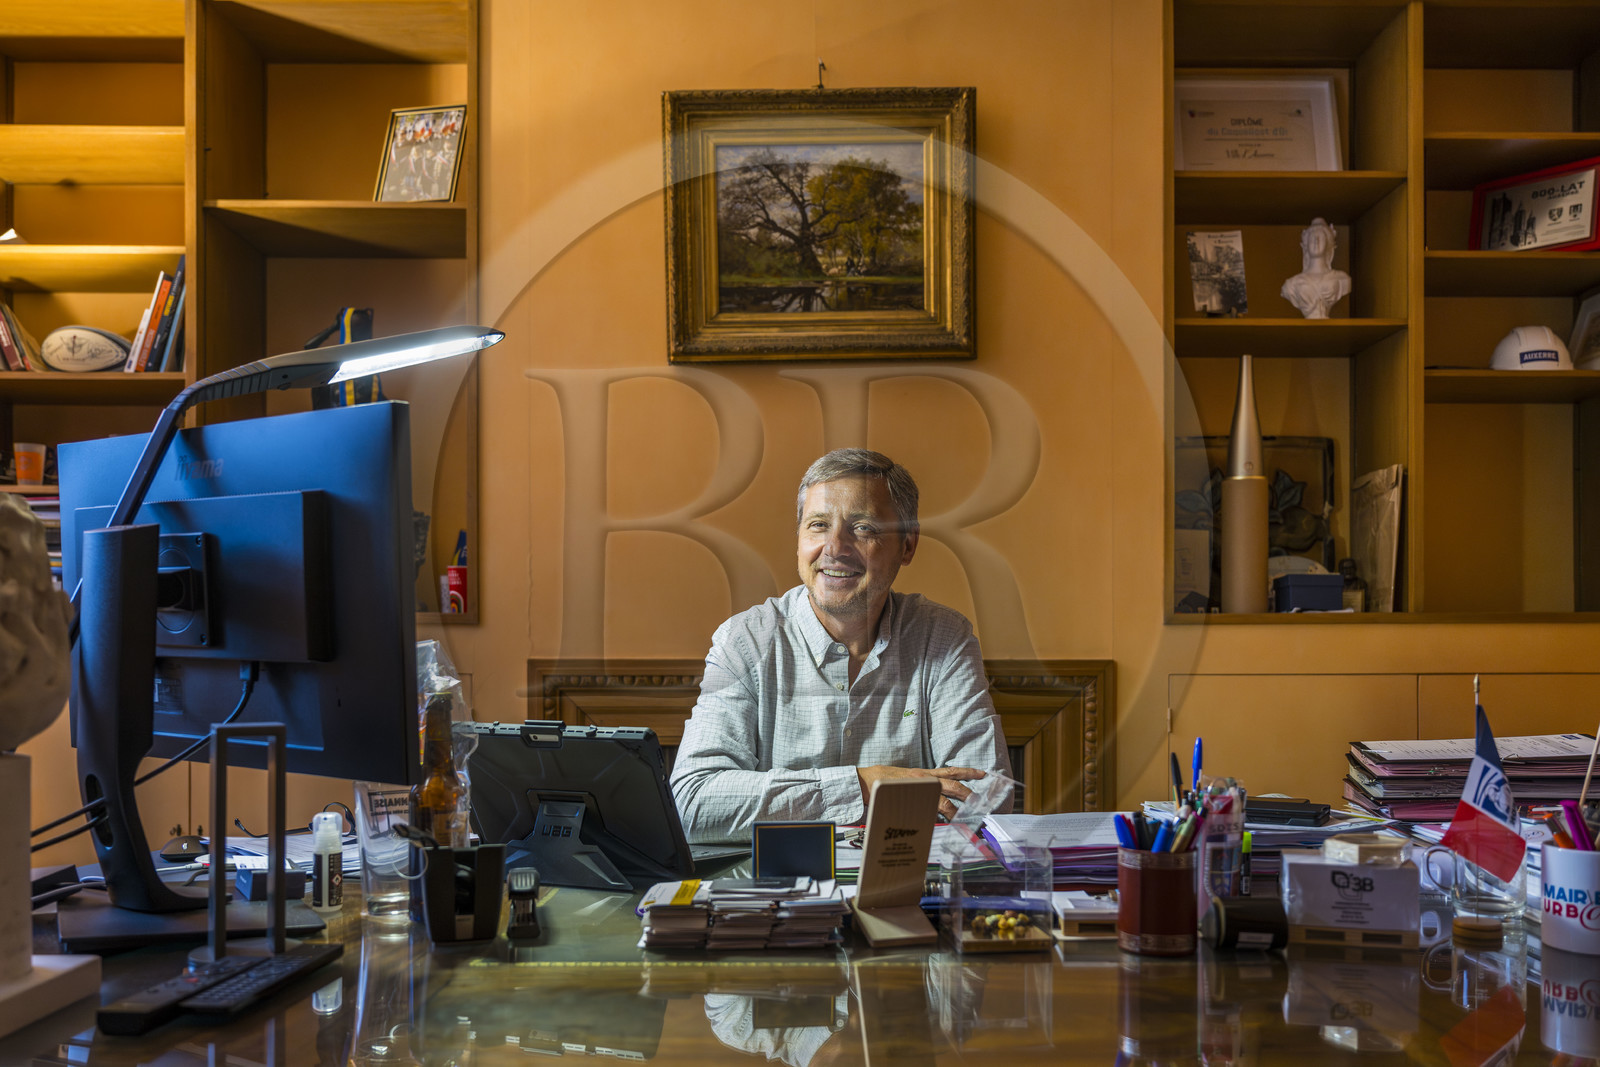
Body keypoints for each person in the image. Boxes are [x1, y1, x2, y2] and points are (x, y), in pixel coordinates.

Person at [670, 448, 1012, 844]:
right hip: (776, 895)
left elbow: (985, 800)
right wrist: (865, 785)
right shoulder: (745, 641)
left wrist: (782, 802)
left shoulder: (943, 638)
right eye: (818, 525)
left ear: (907, 546)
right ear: (798, 539)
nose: (835, 547)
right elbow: (693, 803)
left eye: (863, 528)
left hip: (902, 887)